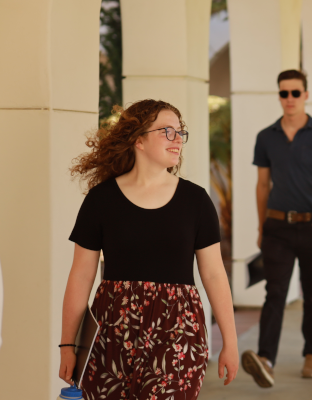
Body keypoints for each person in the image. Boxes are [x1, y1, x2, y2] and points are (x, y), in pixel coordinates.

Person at [59, 99, 239, 399]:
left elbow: (214, 274)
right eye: (167, 131)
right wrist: (68, 345)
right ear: (138, 140)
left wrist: (230, 343)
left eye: (180, 132)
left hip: (178, 332)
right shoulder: (101, 200)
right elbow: (80, 276)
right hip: (111, 333)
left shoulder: (196, 201)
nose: (177, 139)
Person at [241, 70, 312, 387]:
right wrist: (261, 226)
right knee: (275, 294)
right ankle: (265, 359)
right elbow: (262, 185)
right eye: (283, 93)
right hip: (277, 227)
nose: (289, 99)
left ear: (306, 95)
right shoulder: (266, 136)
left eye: (295, 93)